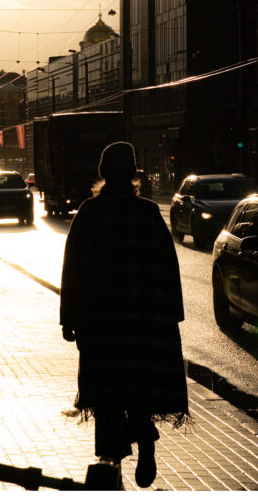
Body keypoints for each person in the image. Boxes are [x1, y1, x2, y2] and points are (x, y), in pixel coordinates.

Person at [60, 141, 189, 488]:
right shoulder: (148, 213)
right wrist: (172, 315)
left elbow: (73, 268)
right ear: (133, 174)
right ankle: (144, 435)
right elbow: (167, 266)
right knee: (139, 382)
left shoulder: (90, 213)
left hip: (101, 322)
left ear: (102, 173)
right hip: (144, 320)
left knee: (107, 391)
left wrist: (68, 319)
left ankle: (111, 463)